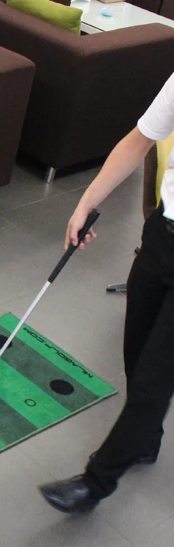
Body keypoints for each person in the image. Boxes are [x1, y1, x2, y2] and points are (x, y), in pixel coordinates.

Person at [39, 72, 174, 513]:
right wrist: (86, 203)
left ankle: (95, 483)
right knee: (136, 349)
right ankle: (145, 440)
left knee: (155, 377)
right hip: (163, 235)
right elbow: (139, 141)